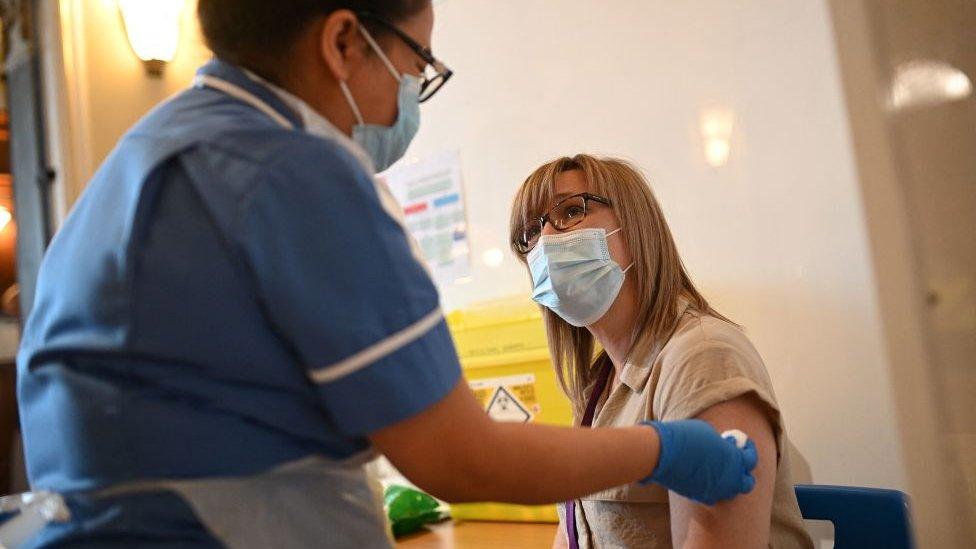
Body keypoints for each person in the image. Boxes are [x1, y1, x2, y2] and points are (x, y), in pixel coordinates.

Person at [17, 2, 756, 547]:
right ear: (344, 41)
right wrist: (667, 448)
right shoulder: (296, 171)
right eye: (417, 62)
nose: (415, 91)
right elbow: (464, 457)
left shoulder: (146, 154)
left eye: (573, 213)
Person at [510, 154, 815, 548]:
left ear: (636, 226)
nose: (547, 239)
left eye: (571, 211)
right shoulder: (597, 386)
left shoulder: (703, 357)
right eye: (529, 233)